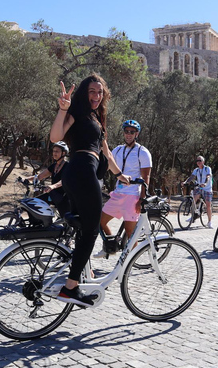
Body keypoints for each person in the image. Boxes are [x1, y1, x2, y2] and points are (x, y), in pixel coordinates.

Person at [50, 74, 130, 307]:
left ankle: (82, 269)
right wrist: (63, 109)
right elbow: (55, 136)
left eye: (100, 92)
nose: (96, 96)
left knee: (82, 228)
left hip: (76, 174)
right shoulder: (77, 113)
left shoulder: (97, 118)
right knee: (92, 227)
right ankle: (71, 287)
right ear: (85, 93)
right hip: (83, 171)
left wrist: (120, 175)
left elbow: (107, 152)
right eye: (92, 91)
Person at [94, 119, 152, 257]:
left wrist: (141, 199)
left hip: (132, 196)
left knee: (131, 233)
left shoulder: (142, 152)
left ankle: (130, 262)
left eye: (132, 132)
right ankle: (111, 246)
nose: (129, 134)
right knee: (100, 222)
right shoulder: (118, 150)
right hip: (117, 194)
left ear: (137, 134)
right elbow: (107, 164)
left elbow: (146, 177)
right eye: (126, 131)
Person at [22, 141, 69, 215]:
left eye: (57, 151)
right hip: (52, 194)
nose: (54, 153)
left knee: (66, 220)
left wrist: (53, 186)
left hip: (63, 197)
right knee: (35, 204)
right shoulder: (54, 166)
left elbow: (64, 181)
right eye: (53, 151)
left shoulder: (68, 166)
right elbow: (39, 177)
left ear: (63, 153)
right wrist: (25, 179)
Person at [183, 155, 214, 228]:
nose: (198, 162)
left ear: (203, 161)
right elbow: (192, 177)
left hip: (207, 188)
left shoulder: (207, 169)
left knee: (208, 205)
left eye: (200, 160)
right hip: (199, 187)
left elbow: (208, 176)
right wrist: (185, 182)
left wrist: (205, 183)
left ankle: (209, 222)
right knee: (193, 201)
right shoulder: (196, 170)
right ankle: (193, 216)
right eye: (197, 161)